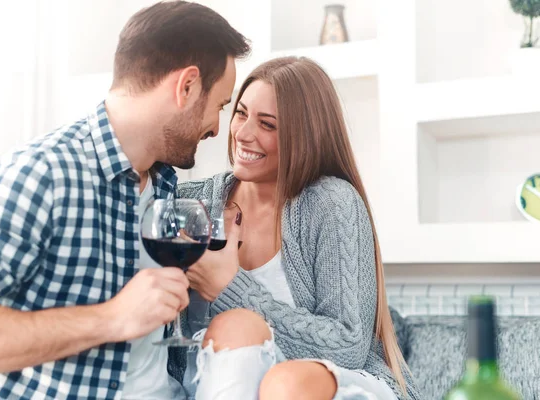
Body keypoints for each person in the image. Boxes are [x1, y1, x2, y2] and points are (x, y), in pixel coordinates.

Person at [0, 2, 250, 399]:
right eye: (221, 105)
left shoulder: (166, 185)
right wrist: (111, 319)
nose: (217, 127)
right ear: (186, 86)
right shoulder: (41, 175)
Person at [175, 57, 422, 400]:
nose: (243, 134)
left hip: (332, 384)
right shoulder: (191, 202)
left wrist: (227, 286)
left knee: (283, 383)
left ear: (304, 136)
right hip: (224, 385)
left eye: (268, 125)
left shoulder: (331, 203)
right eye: (241, 113)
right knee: (236, 328)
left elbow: (349, 347)